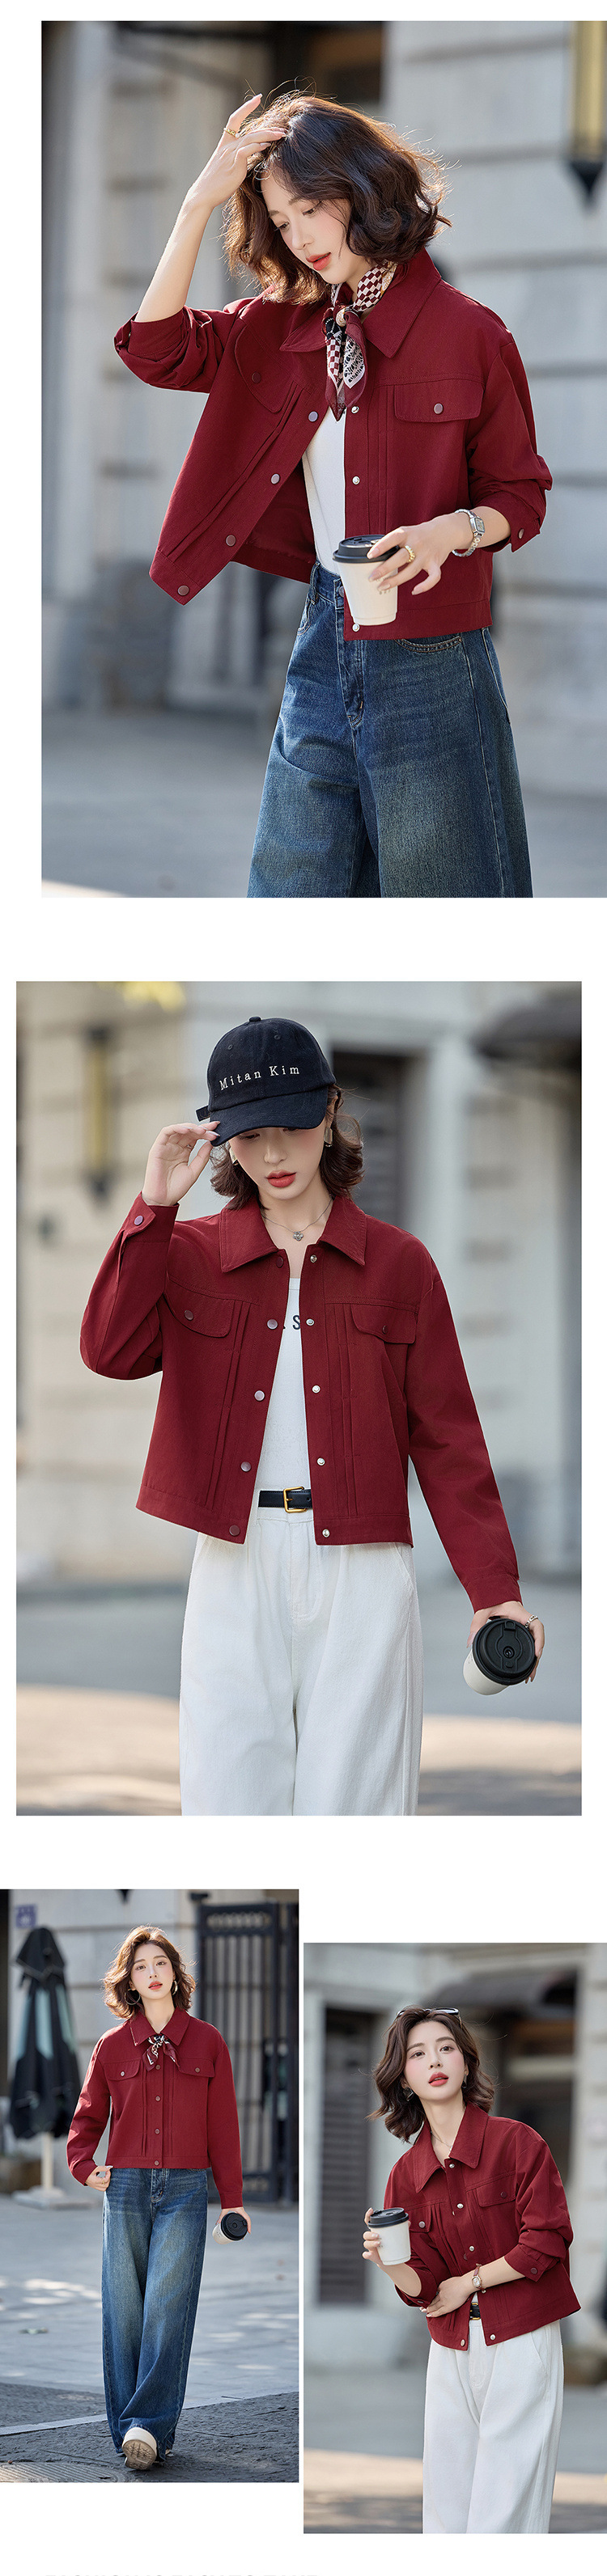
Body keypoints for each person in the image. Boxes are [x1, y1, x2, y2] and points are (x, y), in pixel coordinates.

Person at [80, 1013, 544, 1817]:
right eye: (250, 1136)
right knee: (229, 1806)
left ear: (329, 1111)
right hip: (234, 1560)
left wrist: (494, 1589)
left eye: (290, 1127)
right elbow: (109, 1349)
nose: (273, 1156)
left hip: (364, 1572)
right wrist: (153, 1207)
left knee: (357, 1811)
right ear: (223, 1140)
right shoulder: (188, 1254)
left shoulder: (401, 1264)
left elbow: (448, 1439)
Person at [115, 91, 550, 899]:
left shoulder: (471, 332)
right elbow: (156, 350)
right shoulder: (279, 328)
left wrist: (448, 531)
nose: (301, 236)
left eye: (312, 208)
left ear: (364, 188)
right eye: (282, 221)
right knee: (287, 891)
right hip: (322, 638)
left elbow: (520, 494)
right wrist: (196, 203)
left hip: (434, 655)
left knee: (444, 900)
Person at [363, 2007, 579, 2532]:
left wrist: (471, 2281)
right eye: (418, 2054)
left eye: (446, 2048)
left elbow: (547, 2238)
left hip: (522, 2338)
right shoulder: (406, 2174)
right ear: (405, 2078)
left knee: (505, 2510)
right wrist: (390, 2264)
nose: (435, 2061)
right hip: (451, 2347)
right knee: (446, 2508)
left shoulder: (518, 2143)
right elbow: (426, 2287)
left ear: (466, 2064)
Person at [66, 1927, 249, 2470]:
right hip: (124, 2188)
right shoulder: (111, 2046)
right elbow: (87, 2117)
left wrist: (233, 2198)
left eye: (161, 1963)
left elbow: (224, 2125)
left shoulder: (208, 2041)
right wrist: (83, 2166)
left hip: (186, 2190)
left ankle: (148, 2426)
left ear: (174, 1974)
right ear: (130, 1980)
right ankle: (127, 2428)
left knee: (167, 2308)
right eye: (141, 1965)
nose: (152, 1972)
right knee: (124, 2310)